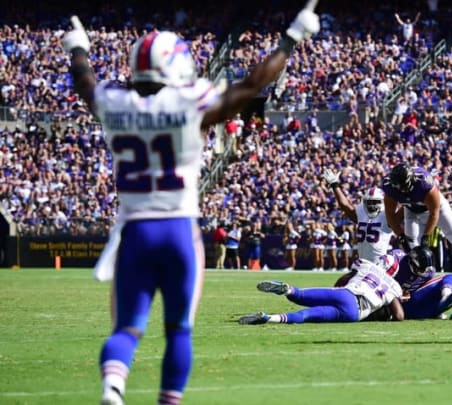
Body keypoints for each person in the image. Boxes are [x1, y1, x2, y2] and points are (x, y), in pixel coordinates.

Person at [62, 5, 320, 404]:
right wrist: (292, 38)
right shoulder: (188, 104)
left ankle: (113, 387)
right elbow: (252, 85)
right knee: (178, 329)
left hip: (134, 231)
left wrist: (78, 47)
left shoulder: (115, 103)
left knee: (126, 329)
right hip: (178, 229)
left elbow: (85, 82)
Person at [381, 163, 452, 272]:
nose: (402, 190)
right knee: (412, 245)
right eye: (399, 187)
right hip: (411, 209)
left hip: (434, 208)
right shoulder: (389, 186)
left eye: (404, 186)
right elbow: (390, 216)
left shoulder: (423, 182)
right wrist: (400, 236)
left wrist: (426, 237)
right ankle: (421, 274)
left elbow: (434, 212)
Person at [238, 258, 404, 324]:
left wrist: (335, 290)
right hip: (354, 313)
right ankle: (269, 318)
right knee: (306, 316)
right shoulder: (394, 286)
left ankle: (287, 289)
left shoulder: (368, 265)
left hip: (346, 294)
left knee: (300, 295)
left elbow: (345, 278)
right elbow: (399, 316)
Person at [379, 247, 452, 320]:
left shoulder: (427, 272)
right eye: (419, 268)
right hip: (399, 305)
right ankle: (446, 299)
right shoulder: (397, 259)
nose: (422, 272)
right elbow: (378, 278)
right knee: (449, 277)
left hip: (415, 309)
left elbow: (427, 289)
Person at [323, 169, 393, 262]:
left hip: (380, 264)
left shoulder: (387, 216)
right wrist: (334, 185)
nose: (372, 205)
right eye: (369, 202)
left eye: (375, 202)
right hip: (363, 263)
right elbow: (345, 205)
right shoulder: (361, 213)